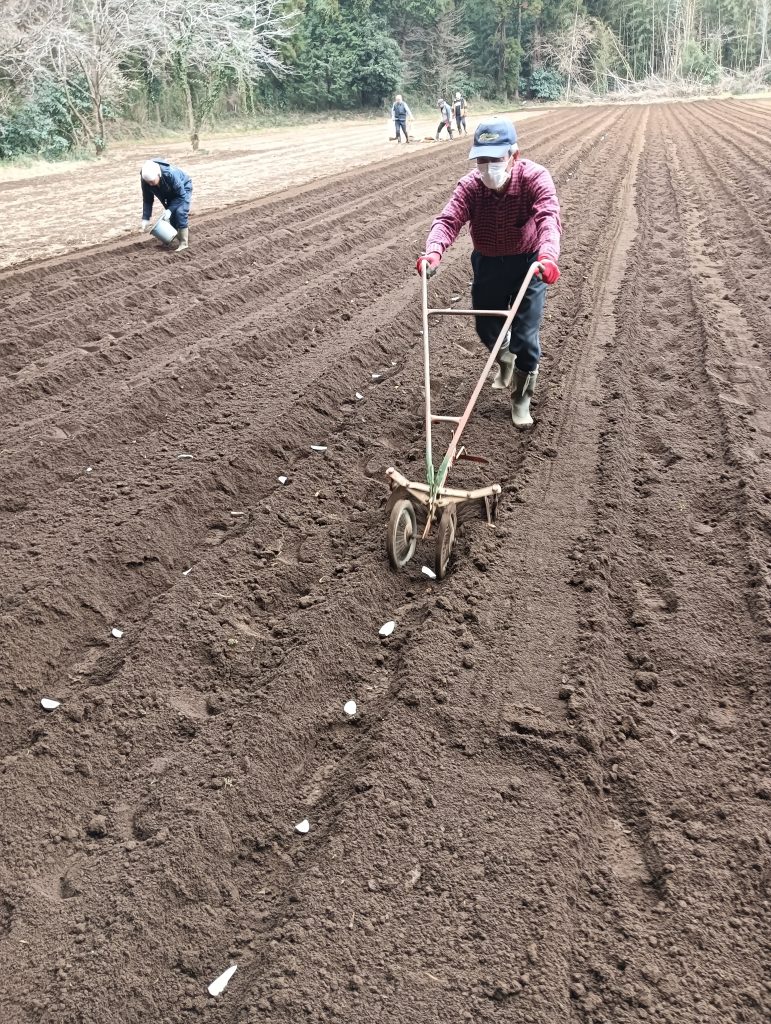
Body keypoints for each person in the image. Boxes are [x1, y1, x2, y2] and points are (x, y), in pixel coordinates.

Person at [416, 119, 561, 429]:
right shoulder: (470, 187)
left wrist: (547, 257)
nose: (488, 167)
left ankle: (521, 398)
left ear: (514, 155)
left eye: (495, 159)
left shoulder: (535, 178)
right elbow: (448, 220)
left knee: (526, 336)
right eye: (482, 160)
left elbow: (549, 217)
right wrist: (433, 252)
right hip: (489, 262)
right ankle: (504, 357)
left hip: (529, 264)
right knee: (486, 326)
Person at [139, 159, 193, 253]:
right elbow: (147, 199)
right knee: (171, 217)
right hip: (169, 193)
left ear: (158, 174)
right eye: (148, 182)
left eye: (152, 181)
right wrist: (145, 218)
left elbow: (181, 195)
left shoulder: (170, 174)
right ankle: (175, 237)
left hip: (183, 188)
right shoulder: (146, 180)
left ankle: (184, 243)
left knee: (180, 212)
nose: (150, 184)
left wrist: (169, 210)